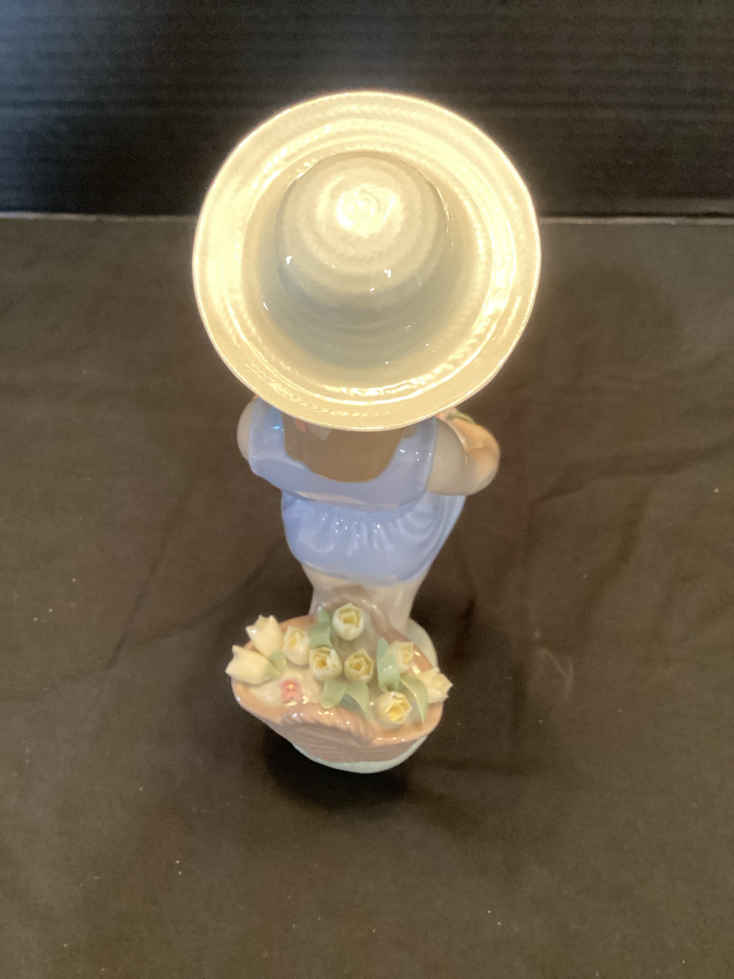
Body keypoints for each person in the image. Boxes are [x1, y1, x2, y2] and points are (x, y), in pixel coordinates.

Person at [237, 399, 500, 631]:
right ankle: (389, 640)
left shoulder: (258, 427)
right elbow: (476, 474)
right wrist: (465, 429)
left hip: (313, 538)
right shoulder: (426, 448)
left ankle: (325, 628)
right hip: (393, 550)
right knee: (390, 616)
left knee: (327, 594)